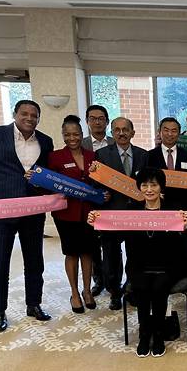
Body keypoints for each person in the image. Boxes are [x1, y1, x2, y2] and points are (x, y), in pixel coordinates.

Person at [88, 168, 187, 357]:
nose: (149, 189)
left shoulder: (173, 210)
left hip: (167, 265)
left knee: (159, 288)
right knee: (142, 288)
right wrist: (97, 221)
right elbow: (115, 233)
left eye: (154, 185)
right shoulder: (131, 210)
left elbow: (182, 241)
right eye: (144, 185)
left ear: (161, 187)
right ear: (139, 188)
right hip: (139, 265)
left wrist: (184, 226)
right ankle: (145, 334)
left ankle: (158, 335)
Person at [0, 100, 54, 332]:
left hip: (32, 211)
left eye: (34, 115)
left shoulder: (45, 141)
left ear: (38, 118)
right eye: (24, 114)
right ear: (15, 114)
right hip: (1, 211)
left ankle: (34, 304)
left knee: (35, 261)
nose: (29, 118)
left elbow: (48, 173)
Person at [92, 117, 148, 310]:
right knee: (111, 257)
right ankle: (114, 293)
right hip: (112, 214)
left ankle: (132, 288)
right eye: (117, 130)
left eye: (125, 130)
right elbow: (95, 185)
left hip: (136, 214)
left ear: (132, 133)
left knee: (136, 254)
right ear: (112, 132)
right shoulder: (101, 155)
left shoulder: (143, 155)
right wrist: (101, 194)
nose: (121, 133)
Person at [48, 115, 97, 313]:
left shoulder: (93, 156)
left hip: (88, 212)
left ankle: (87, 291)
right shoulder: (55, 157)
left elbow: (98, 182)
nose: (72, 138)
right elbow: (49, 183)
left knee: (87, 252)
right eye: (67, 134)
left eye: (75, 134)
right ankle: (74, 293)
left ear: (82, 134)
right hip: (66, 213)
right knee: (71, 252)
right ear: (63, 135)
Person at [81, 104, 114, 297]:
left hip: (112, 201)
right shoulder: (81, 144)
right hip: (89, 201)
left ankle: (112, 281)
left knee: (111, 247)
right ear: (87, 121)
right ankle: (98, 279)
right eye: (93, 118)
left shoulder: (114, 142)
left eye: (101, 118)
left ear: (107, 121)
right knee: (92, 245)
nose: (97, 121)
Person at [146, 117, 187, 220]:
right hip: (158, 207)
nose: (170, 134)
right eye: (166, 130)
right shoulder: (149, 156)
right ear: (159, 132)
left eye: (174, 131)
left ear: (179, 134)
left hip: (182, 207)